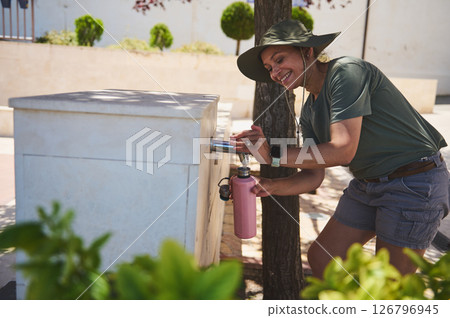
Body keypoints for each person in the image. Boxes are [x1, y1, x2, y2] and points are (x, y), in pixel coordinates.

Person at [232, 19, 449, 278]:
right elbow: (314, 175)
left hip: (413, 182)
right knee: (324, 256)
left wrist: (273, 154)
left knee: (390, 283)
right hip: (368, 184)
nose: (275, 72)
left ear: (307, 51)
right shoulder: (310, 110)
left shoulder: (346, 72)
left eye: (279, 60)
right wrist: (269, 185)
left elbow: (342, 149)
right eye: (269, 68)